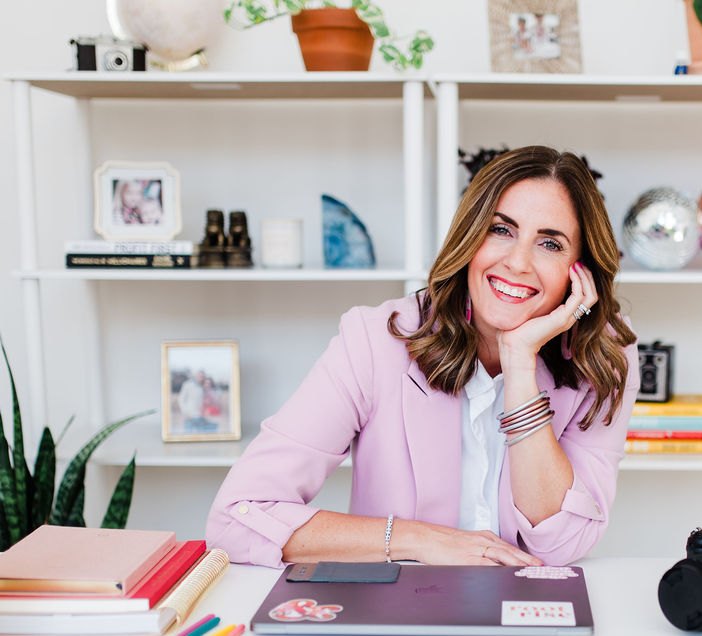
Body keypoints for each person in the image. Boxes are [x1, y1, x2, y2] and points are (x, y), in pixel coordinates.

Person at [206, 146, 639, 569]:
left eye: (550, 243)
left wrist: (520, 362)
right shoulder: (375, 340)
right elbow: (237, 516)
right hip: (396, 611)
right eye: (501, 229)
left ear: (578, 271)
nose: (518, 262)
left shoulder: (606, 358)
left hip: (529, 612)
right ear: (469, 237)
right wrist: (418, 540)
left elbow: (562, 543)